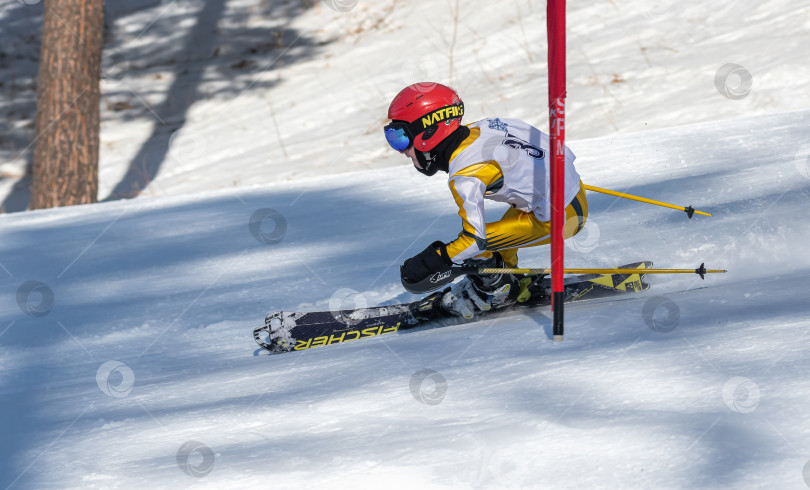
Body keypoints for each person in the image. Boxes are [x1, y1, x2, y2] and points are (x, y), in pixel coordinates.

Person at [384, 82, 588, 320]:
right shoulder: (485, 127)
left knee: (471, 247)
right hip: (570, 195)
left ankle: (495, 292)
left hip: (565, 218)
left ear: (427, 132)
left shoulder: (466, 175)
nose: (400, 150)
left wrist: (435, 261)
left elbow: (475, 242)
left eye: (399, 137)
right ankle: (503, 279)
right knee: (490, 241)